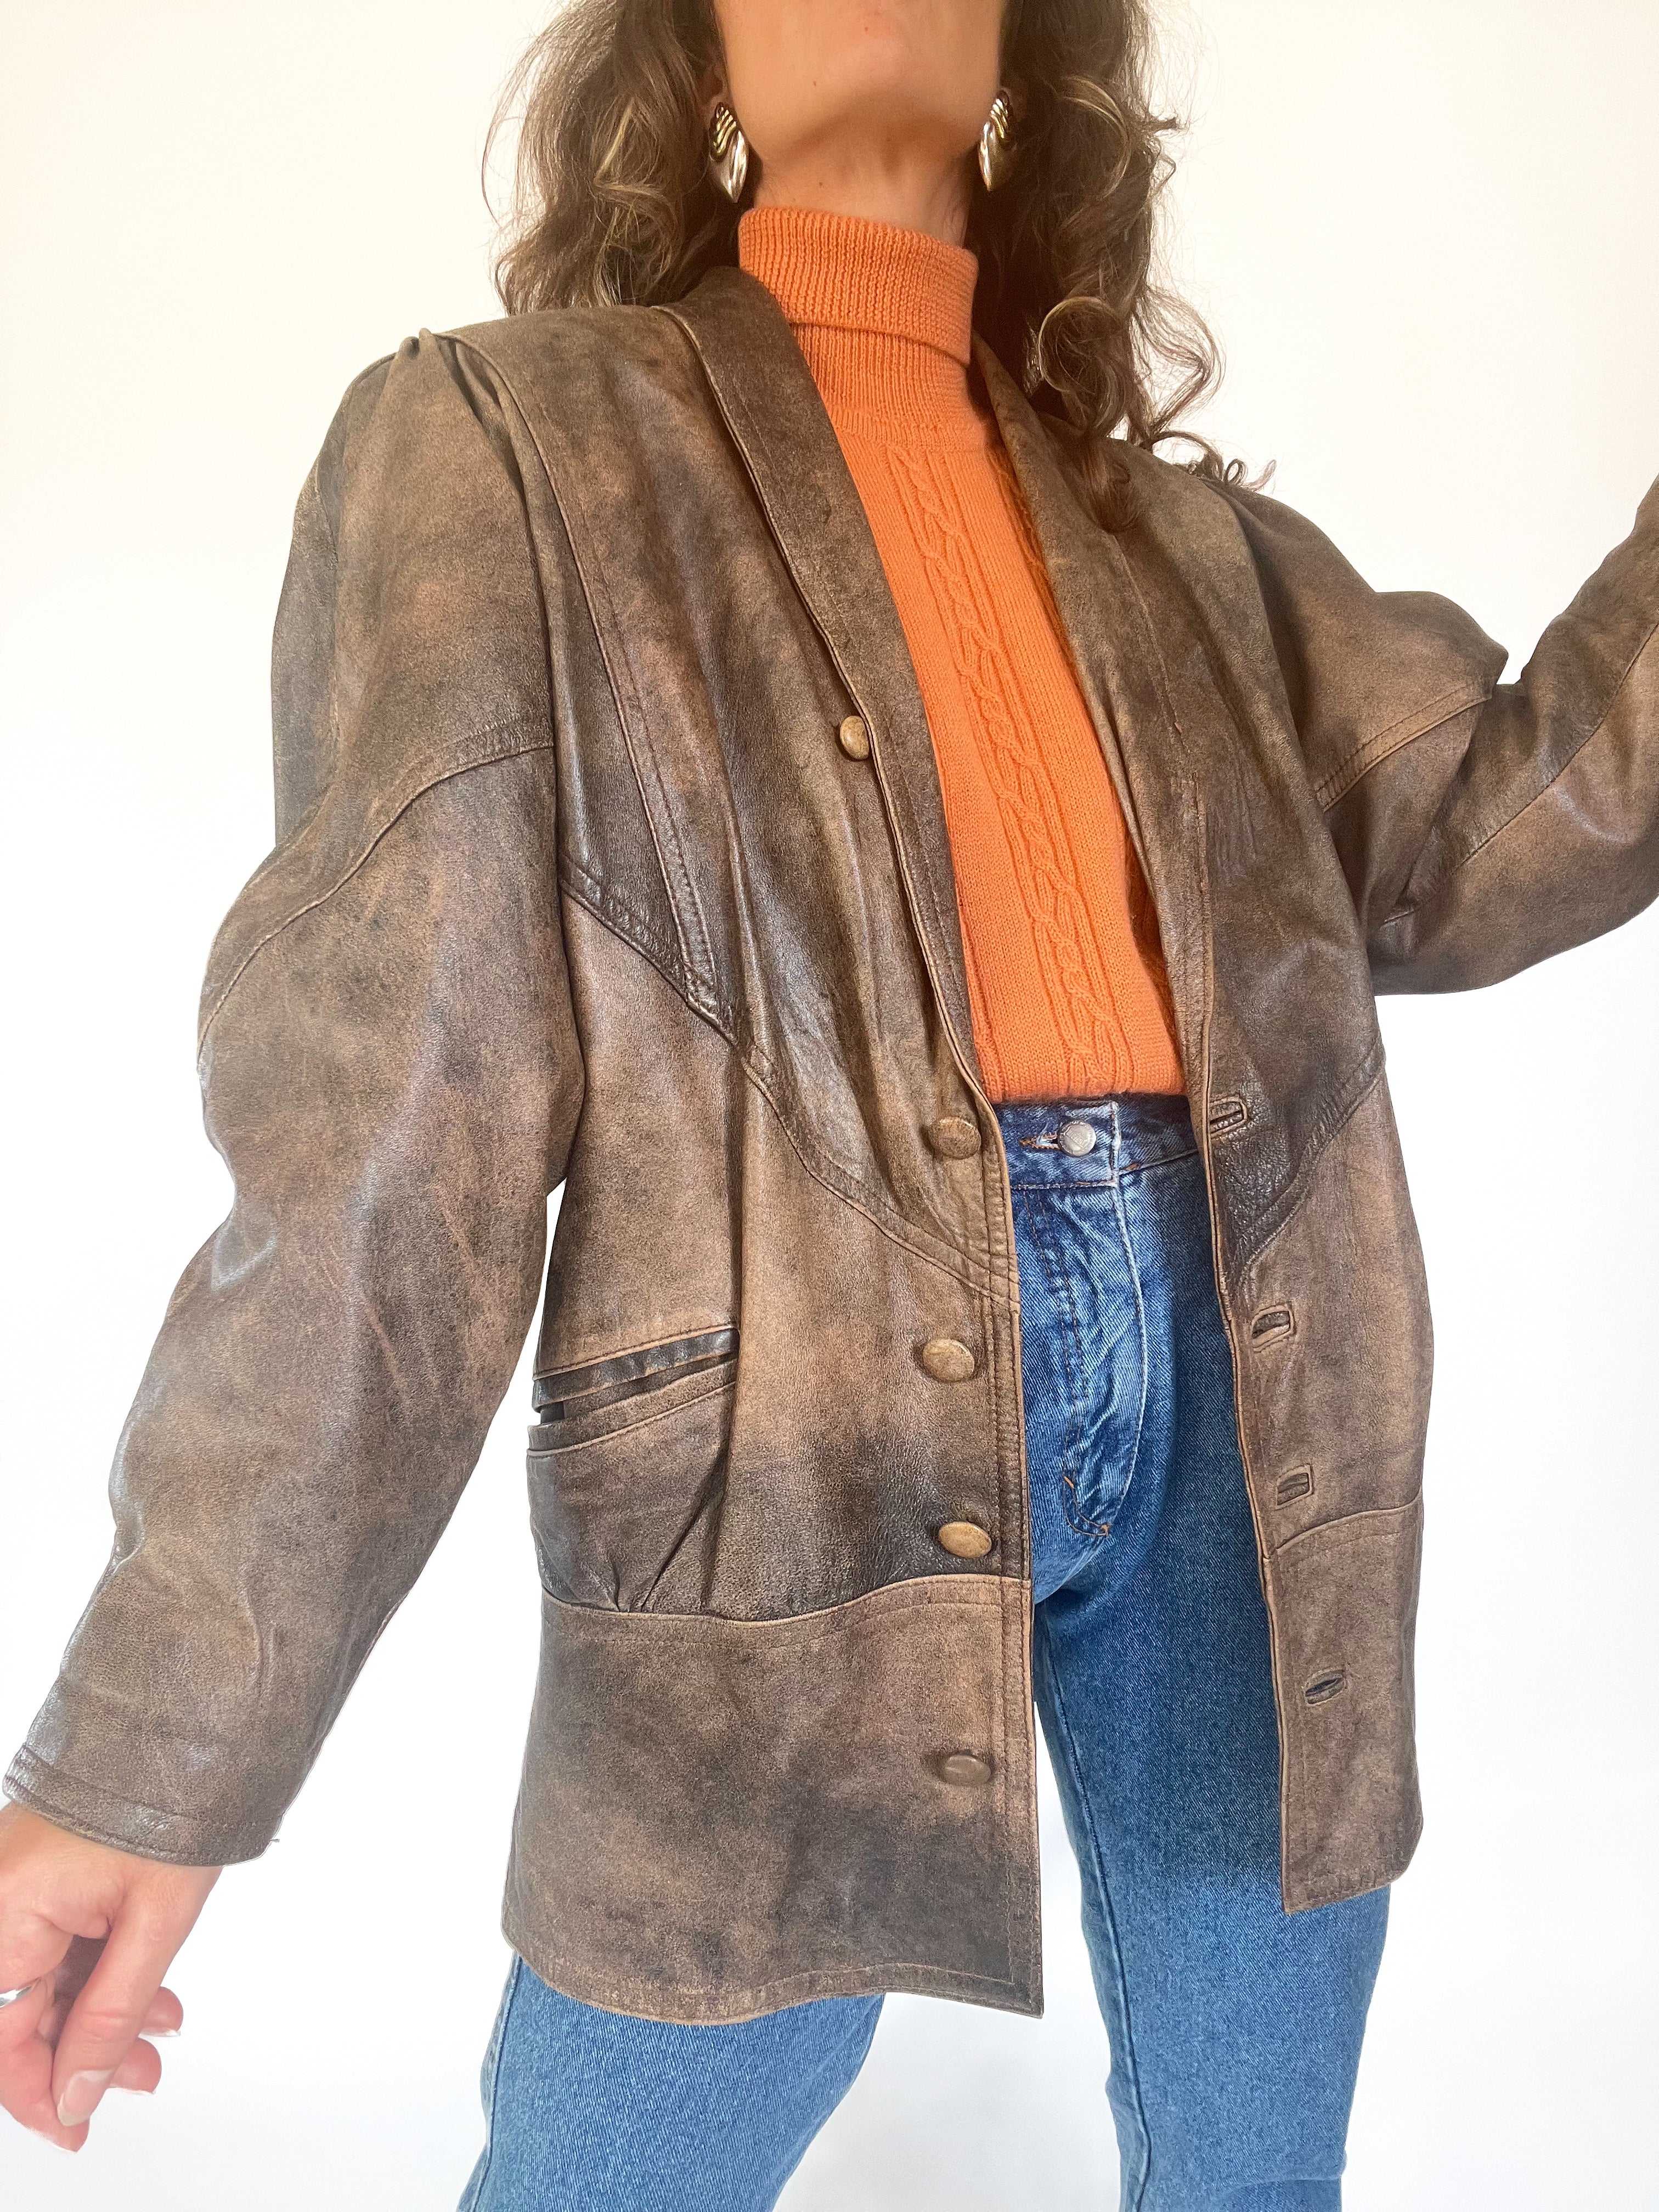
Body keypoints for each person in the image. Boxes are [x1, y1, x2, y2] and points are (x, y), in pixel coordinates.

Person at [1, 0, 1653, 2204]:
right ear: (691, 60)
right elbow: (393, 1131)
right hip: (782, 1420)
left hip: (1265, 1400)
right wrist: (147, 1754)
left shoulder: (1180, 541)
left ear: (1026, 54)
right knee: (618, 2169)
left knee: (1261, 2155)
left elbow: (1498, 832)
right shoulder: (505, 449)